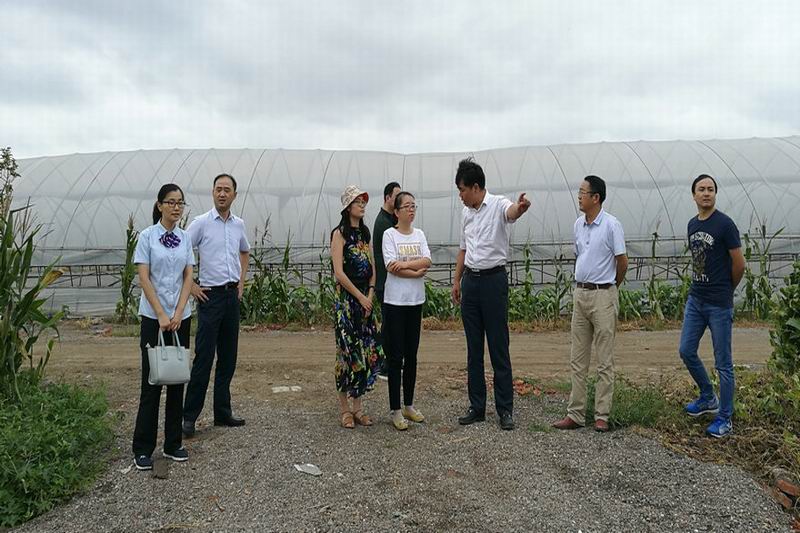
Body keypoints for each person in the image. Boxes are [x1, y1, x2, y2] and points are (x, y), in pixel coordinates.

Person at [451, 157, 531, 431]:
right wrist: (457, 280)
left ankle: (505, 409)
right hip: (471, 282)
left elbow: (512, 212)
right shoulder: (466, 214)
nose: (460, 196)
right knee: (474, 349)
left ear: (475, 187)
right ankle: (477, 407)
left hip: (493, 281)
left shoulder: (497, 204)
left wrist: (520, 208)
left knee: (498, 346)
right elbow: (463, 249)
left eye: (462, 190)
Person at [552, 175, 628, 433]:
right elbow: (580, 256)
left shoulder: (611, 225)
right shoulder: (578, 225)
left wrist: (612, 287)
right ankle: (575, 414)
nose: (579, 196)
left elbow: (622, 261)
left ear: (596, 197)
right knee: (578, 358)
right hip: (581, 293)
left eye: (583, 192)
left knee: (604, 359)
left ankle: (602, 415)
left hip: (603, 294)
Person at [182, 174, 250, 437]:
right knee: (204, 357)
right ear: (212, 192)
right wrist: (191, 286)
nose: (222, 194)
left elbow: (245, 251)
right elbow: (181, 252)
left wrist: (241, 282)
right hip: (210, 297)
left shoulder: (238, 225)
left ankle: (222, 412)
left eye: (227, 190)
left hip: (231, 297)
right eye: (218, 189)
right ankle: (189, 417)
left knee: (228, 357)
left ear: (234, 195)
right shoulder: (201, 223)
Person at [132, 183, 194, 470]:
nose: (176, 207)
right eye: (170, 202)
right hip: (153, 317)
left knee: (177, 378)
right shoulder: (147, 237)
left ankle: (173, 443)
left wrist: (179, 312)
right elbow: (144, 278)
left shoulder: (185, 238)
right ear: (159, 205)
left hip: (180, 317)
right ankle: (143, 448)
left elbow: (188, 275)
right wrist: (160, 313)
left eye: (180, 202)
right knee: (152, 381)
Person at [678, 174, 744, 438]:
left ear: (715, 194)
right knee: (686, 350)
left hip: (719, 303)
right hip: (696, 299)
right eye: (701, 189)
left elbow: (739, 263)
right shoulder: (692, 224)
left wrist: (727, 289)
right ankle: (708, 397)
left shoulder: (725, 224)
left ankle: (725, 418)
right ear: (693, 195)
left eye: (711, 189)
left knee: (723, 363)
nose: (706, 193)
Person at [331, 185, 385, 428]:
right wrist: (359, 297)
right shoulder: (339, 234)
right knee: (347, 353)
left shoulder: (364, 234)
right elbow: (339, 273)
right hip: (347, 301)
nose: (362, 205)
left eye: (363, 202)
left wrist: (370, 294)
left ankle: (358, 408)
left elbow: (372, 267)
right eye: (357, 202)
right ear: (347, 207)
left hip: (365, 299)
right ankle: (345, 410)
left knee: (365, 350)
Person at [382, 191, 431, 430]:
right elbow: (391, 266)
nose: (411, 210)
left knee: (412, 355)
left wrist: (405, 265)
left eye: (414, 206)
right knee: (395, 357)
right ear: (397, 211)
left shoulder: (419, 234)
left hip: (415, 301)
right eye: (407, 206)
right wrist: (414, 271)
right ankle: (395, 409)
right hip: (395, 303)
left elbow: (427, 261)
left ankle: (409, 405)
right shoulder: (389, 235)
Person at [373, 181, 401, 380]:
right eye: (396, 196)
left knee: (391, 322)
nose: (399, 199)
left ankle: (389, 361)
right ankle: (384, 365)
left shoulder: (390, 218)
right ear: (387, 197)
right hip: (385, 281)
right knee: (389, 322)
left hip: (389, 280)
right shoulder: (383, 222)